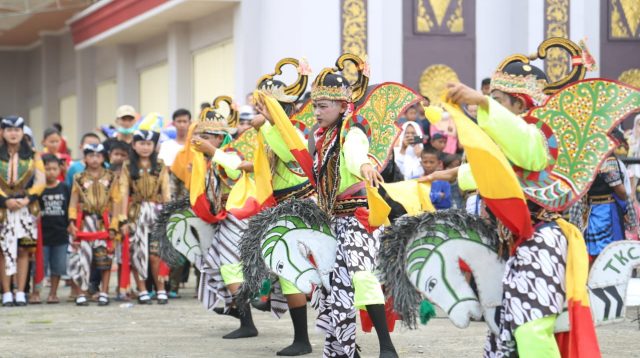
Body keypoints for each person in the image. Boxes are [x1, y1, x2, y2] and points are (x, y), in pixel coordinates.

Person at [256, 55, 399, 358]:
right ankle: (346, 350)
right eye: (315, 106)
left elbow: (355, 152)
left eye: (323, 106)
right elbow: (295, 156)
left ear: (343, 106)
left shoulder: (351, 131)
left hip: (359, 220)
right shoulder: (321, 137)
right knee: (332, 288)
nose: (316, 112)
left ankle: (387, 347)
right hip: (334, 221)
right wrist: (272, 122)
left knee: (361, 277)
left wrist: (364, 165)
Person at [249, 61, 315, 356]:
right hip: (282, 208)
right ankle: (301, 337)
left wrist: (267, 124)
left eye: (270, 108)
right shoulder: (271, 133)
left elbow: (288, 153)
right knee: (285, 269)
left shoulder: (295, 136)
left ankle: (308, 337)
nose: (264, 114)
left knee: (297, 270)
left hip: (300, 208)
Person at [190, 106, 258, 339]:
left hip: (240, 215)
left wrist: (210, 150)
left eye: (207, 138)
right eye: (200, 137)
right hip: (226, 218)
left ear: (220, 138)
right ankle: (239, 310)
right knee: (219, 264)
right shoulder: (207, 158)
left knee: (230, 266)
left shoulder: (232, 152)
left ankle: (247, 321)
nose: (201, 142)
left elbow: (237, 170)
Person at [67, 143, 122, 306]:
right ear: (85, 158)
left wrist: (114, 225)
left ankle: (104, 292)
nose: (95, 159)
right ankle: (82, 292)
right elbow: (73, 202)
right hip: (84, 221)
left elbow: (117, 202)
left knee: (104, 258)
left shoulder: (111, 177)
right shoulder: (79, 177)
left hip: (104, 221)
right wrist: (71, 222)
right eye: (91, 155)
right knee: (82, 257)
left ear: (103, 158)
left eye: (98, 156)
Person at [121, 130, 170, 305]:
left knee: (156, 254)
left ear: (154, 146)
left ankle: (161, 289)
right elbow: (123, 192)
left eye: (149, 144)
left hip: (156, 212)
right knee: (137, 253)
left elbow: (166, 192)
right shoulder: (127, 167)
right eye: (141, 143)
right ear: (134, 145)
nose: (145, 147)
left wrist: (168, 215)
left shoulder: (160, 165)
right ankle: (142, 289)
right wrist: (122, 219)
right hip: (136, 213)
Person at [0, 116, 45, 307]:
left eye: (17, 130)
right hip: (3, 209)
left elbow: (41, 181)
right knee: (3, 250)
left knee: (24, 249)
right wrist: (5, 200)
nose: (13, 134)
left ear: (22, 132)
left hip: (26, 210)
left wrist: (27, 198)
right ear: (2, 132)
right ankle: (7, 292)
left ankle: (20, 291)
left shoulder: (34, 155)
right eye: (9, 130)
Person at [36, 154, 70, 304]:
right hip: (42, 235)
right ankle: (35, 292)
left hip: (60, 233)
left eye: (54, 169)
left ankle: (53, 293)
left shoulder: (64, 188)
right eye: (47, 169)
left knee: (58, 266)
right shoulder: (38, 189)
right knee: (39, 266)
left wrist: (70, 225)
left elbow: (70, 208)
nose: (50, 172)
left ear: (60, 169)